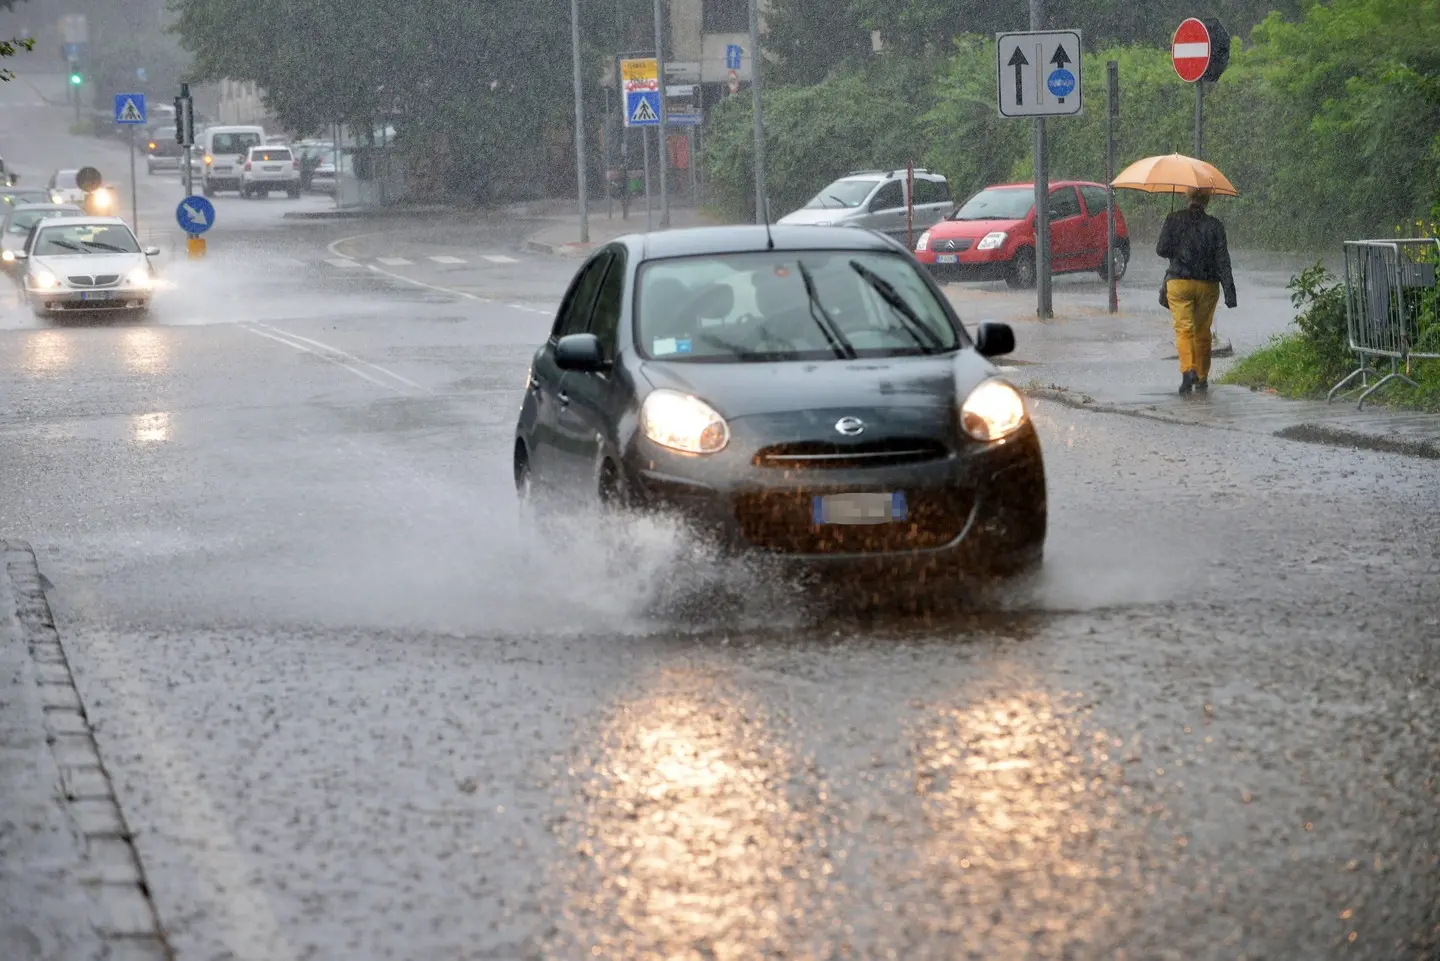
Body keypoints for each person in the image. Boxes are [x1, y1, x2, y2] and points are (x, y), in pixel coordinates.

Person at [1157, 185, 1237, 395]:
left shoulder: (1174, 219)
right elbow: (1223, 260)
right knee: (1202, 331)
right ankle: (1201, 377)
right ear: (1207, 201)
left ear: (1187, 197)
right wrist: (1230, 291)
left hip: (1179, 283)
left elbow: (1161, 250)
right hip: (1207, 285)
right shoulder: (1215, 226)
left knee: (1183, 328)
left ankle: (1187, 370)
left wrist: (1175, 240)